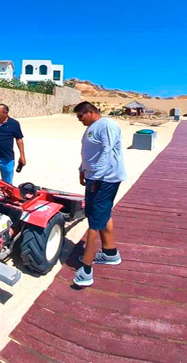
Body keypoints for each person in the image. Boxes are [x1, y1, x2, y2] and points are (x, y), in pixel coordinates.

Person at [73, 101, 127, 287]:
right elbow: (89, 153)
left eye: (80, 116)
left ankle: (86, 269)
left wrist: (97, 177)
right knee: (102, 214)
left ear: (89, 112)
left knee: (95, 221)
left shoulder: (107, 125)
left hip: (105, 179)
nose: (79, 120)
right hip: (94, 177)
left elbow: (107, 150)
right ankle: (110, 253)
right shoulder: (92, 128)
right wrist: (82, 169)